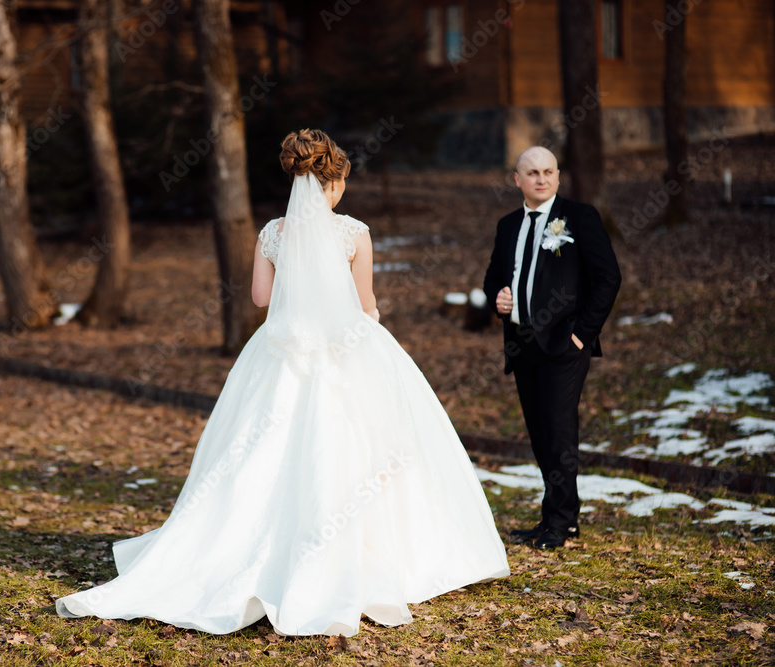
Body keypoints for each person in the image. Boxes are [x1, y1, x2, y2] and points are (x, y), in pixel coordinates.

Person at [56, 129, 509, 637]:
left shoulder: (272, 233)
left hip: (280, 353)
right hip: (345, 353)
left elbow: (259, 298)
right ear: (332, 181)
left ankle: (244, 550)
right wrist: (368, 316)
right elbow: (364, 305)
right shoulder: (354, 234)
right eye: (339, 183)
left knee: (260, 449)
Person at [483, 146, 621, 550]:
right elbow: (494, 275)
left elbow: (608, 278)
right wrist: (498, 298)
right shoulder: (508, 225)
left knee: (560, 431)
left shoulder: (580, 217)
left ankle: (558, 523)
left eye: (548, 172)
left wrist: (582, 333)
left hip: (565, 344)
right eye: (532, 173)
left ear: (558, 176)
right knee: (541, 433)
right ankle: (562, 515)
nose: (541, 179)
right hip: (522, 344)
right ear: (517, 180)